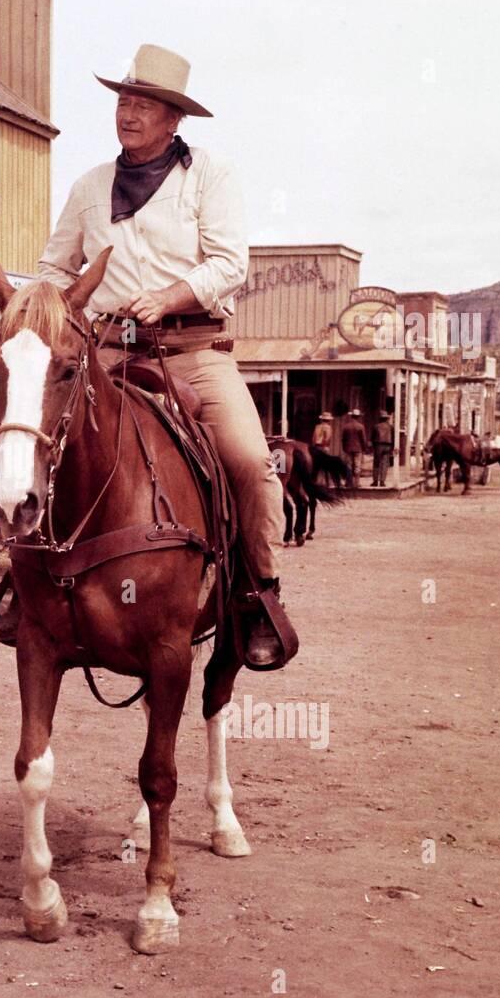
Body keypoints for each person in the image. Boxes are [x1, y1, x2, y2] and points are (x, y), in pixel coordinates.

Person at [34, 42, 291, 668]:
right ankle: (25, 586)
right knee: (42, 440)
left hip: (194, 350)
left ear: (174, 118)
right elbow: (53, 265)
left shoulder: (210, 175)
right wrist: (41, 305)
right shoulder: (89, 186)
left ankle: (258, 593)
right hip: (110, 354)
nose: (129, 112)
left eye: (145, 103)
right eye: (124, 99)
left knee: (251, 462)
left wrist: (171, 296)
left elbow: (230, 263)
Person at [339, 408, 368, 482]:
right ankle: (356, 482)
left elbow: (343, 439)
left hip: (348, 448)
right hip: (358, 448)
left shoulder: (346, 426)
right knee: (357, 466)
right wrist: (364, 448)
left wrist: (344, 448)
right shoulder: (361, 426)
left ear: (352, 416)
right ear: (358, 417)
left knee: (349, 465)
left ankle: (348, 482)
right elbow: (363, 439)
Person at [371, 410, 394, 486]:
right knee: (385, 463)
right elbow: (393, 438)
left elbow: (372, 437)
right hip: (388, 445)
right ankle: (382, 481)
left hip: (378, 445)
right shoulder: (390, 427)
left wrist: (373, 446)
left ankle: (375, 481)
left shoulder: (376, 426)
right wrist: (392, 447)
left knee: (376, 463)